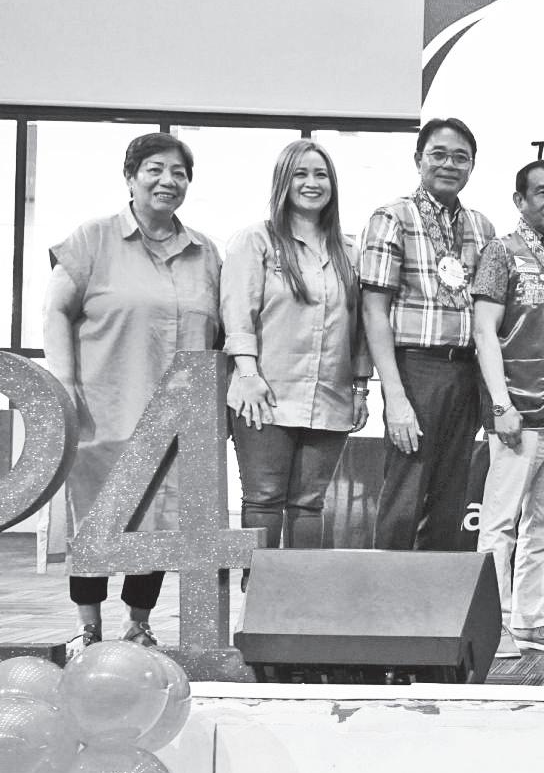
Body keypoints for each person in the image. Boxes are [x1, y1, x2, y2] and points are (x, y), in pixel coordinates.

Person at [42, 132, 221, 648]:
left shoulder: (205, 252)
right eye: (155, 169)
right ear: (130, 177)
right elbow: (56, 310)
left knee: (160, 519)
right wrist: (64, 381)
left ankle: (139, 623)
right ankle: (88, 627)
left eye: (179, 173)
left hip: (177, 418)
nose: (168, 180)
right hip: (105, 407)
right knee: (95, 518)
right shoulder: (93, 238)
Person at [223, 140, 369, 574]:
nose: (311, 183)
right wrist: (247, 373)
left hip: (330, 396)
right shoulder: (255, 240)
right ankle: (259, 598)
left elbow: (360, 328)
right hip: (264, 393)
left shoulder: (350, 251)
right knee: (264, 498)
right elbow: (237, 312)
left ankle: (305, 597)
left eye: (321, 174)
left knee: (309, 503)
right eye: (301, 174)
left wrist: (361, 388)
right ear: (283, 182)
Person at [359, 117, 496, 551]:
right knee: (405, 491)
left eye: (460, 157)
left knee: (451, 495)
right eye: (438, 154)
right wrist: (394, 396)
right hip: (415, 369)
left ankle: (436, 593)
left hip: (465, 372)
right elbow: (374, 311)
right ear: (418, 159)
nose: (449, 165)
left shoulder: (481, 227)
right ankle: (386, 591)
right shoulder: (393, 217)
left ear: (472, 166)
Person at [471, 160, 544, 654]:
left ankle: (530, 620)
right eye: (542, 192)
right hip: (519, 406)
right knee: (499, 522)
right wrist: (500, 404)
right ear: (520, 200)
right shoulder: (502, 252)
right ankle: (491, 626)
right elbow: (484, 331)